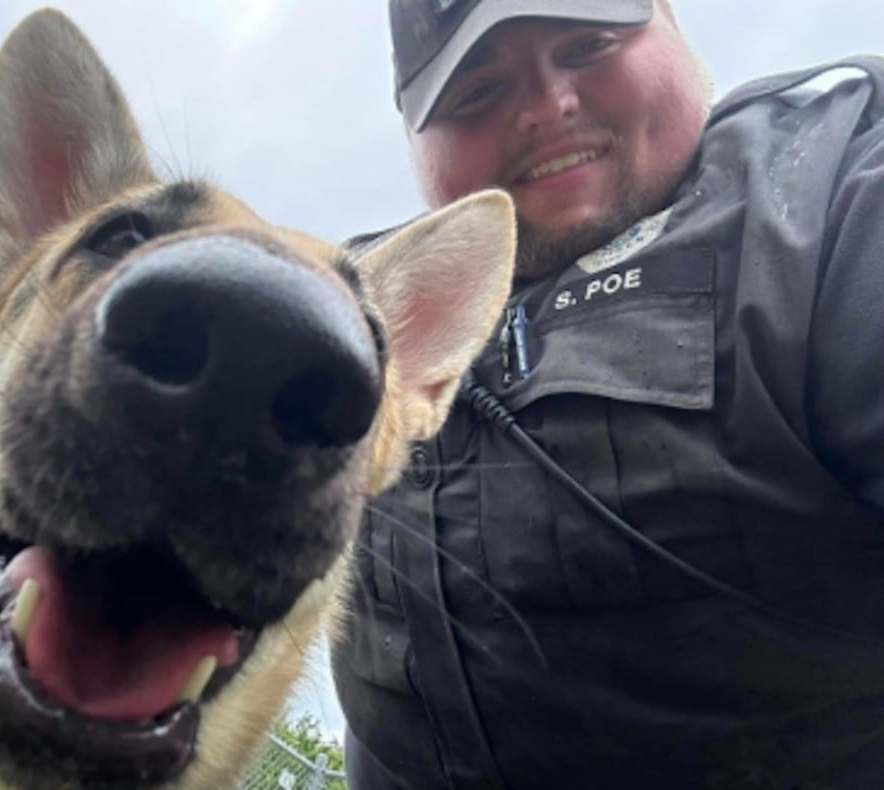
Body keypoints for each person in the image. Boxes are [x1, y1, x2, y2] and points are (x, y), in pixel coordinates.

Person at [332, 1, 884, 787]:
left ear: (671, 26)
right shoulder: (359, 305)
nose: (547, 105)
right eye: (477, 93)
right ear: (416, 142)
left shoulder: (825, 195)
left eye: (588, 43)